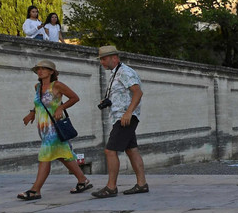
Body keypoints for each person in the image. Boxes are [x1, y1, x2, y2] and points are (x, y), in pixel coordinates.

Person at [18, 59, 92, 200]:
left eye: (43, 69)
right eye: (38, 69)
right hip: (43, 128)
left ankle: (35, 190)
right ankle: (83, 180)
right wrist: (32, 113)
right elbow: (39, 104)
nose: (40, 71)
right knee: (63, 155)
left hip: (54, 128)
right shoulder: (37, 87)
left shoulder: (57, 85)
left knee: (45, 157)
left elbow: (75, 98)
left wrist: (60, 107)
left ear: (51, 72)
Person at [91, 46, 149, 198]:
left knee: (110, 150)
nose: (102, 62)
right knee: (132, 149)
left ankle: (111, 187)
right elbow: (123, 93)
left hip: (125, 118)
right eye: (101, 59)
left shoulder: (125, 72)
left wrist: (128, 113)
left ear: (114, 58)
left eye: (104, 59)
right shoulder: (116, 72)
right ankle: (142, 184)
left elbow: (138, 92)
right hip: (121, 116)